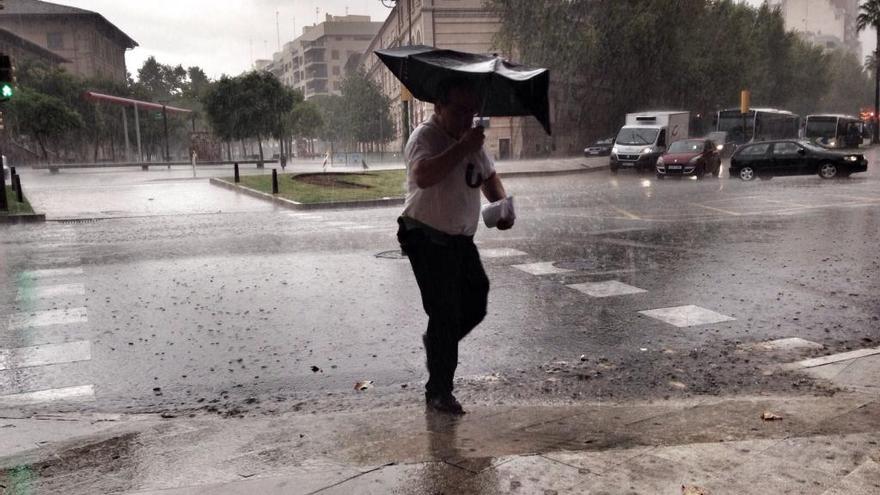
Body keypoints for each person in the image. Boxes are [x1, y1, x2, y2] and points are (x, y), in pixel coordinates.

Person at [396, 77, 514, 415]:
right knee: (445, 311)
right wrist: (462, 147)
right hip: (425, 235)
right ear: (439, 107)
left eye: (472, 111)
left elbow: (489, 177)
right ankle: (439, 391)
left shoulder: (473, 141)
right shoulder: (425, 136)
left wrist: (502, 207)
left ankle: (437, 344)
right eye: (459, 109)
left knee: (476, 300)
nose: (467, 117)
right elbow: (423, 175)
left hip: (460, 238)